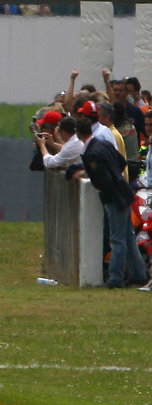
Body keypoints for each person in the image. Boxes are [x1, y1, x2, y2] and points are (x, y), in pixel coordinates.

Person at [71, 103, 150, 289]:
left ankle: (115, 278)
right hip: (123, 191)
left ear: (78, 134)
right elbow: (121, 161)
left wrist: (89, 176)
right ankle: (139, 274)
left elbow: (102, 180)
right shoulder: (103, 143)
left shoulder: (90, 153)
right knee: (128, 237)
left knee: (117, 239)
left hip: (114, 198)